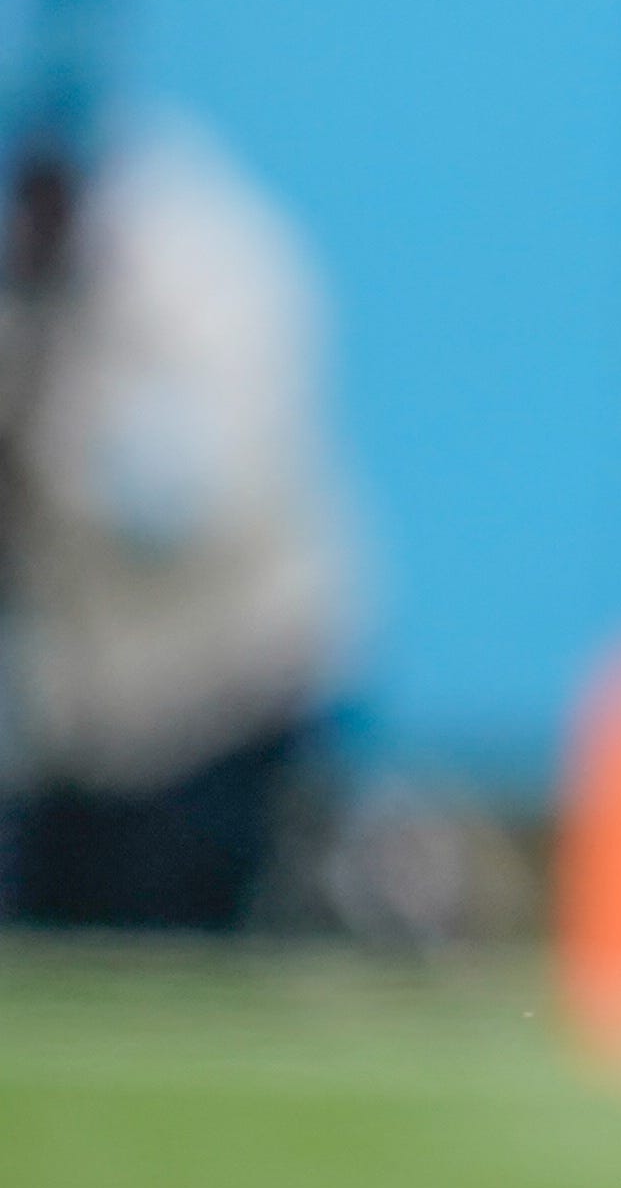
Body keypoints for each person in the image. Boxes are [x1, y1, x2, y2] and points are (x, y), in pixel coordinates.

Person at [0, 109, 359, 934]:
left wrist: (46, 434)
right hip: (68, 709)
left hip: (224, 690)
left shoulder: (206, 270)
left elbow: (178, 503)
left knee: (170, 935)